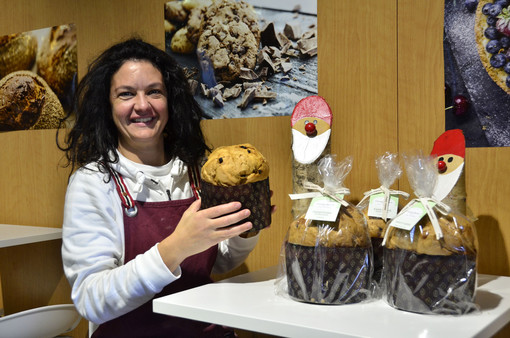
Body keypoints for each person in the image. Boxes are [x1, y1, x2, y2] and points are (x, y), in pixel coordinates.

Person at [58, 38, 268, 337]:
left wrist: (246, 228)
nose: (142, 105)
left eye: (154, 92)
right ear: (108, 106)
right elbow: (92, 300)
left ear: (170, 100)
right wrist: (174, 248)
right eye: (126, 94)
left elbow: (217, 263)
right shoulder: (93, 182)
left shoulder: (195, 171)